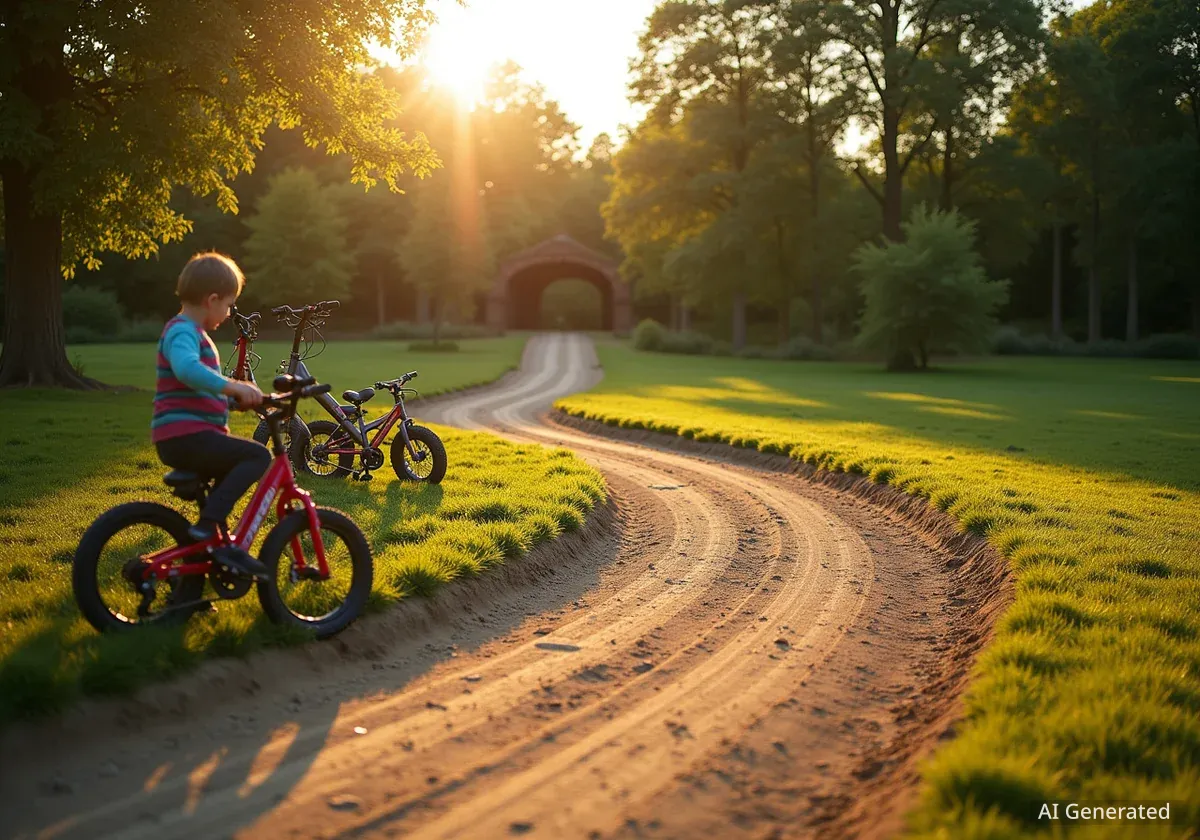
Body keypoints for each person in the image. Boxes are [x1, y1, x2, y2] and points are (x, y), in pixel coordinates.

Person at [152, 252, 271, 579]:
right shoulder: (183, 332)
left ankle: (216, 547)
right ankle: (208, 526)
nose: (229, 312)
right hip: (185, 437)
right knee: (257, 456)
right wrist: (233, 386)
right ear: (212, 299)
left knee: (230, 464)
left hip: (189, 434)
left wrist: (235, 401)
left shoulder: (192, 333)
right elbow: (187, 370)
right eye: (229, 305)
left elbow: (198, 390)